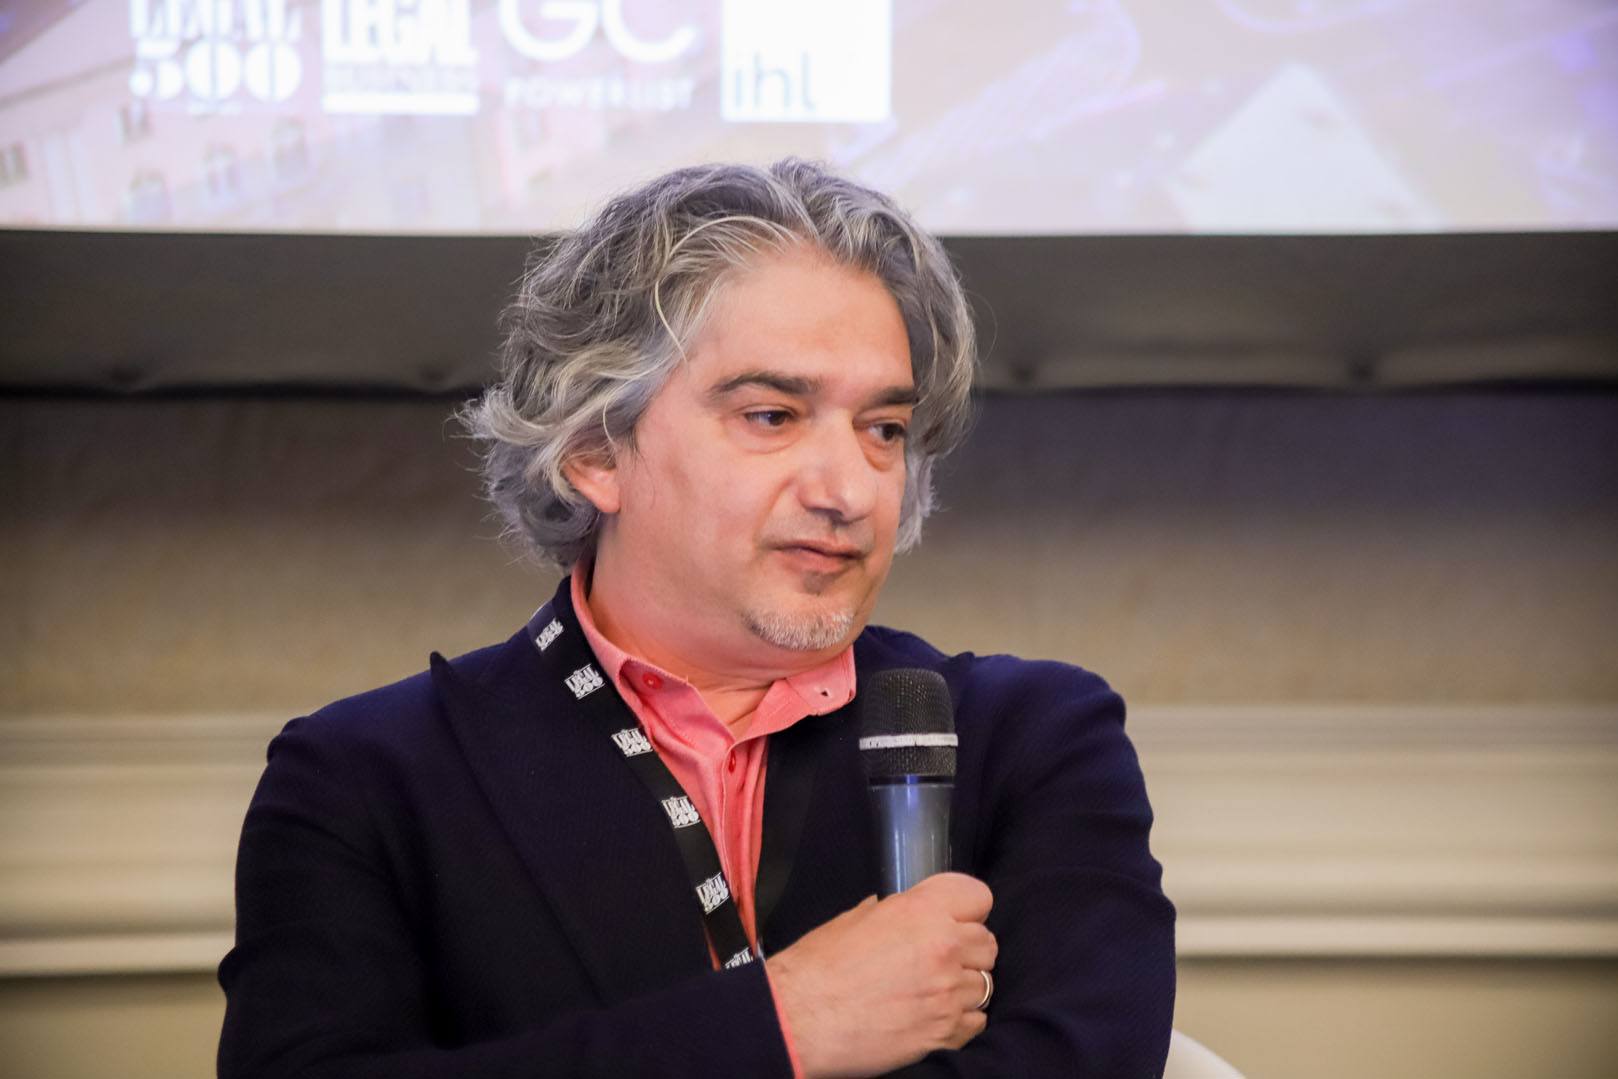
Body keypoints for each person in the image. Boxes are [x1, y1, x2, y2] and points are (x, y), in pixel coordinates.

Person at [218, 160, 1175, 1078]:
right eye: (772, 416)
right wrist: (788, 1022)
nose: (849, 490)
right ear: (595, 450)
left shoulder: (1038, 739)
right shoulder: (365, 778)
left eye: (883, 429)